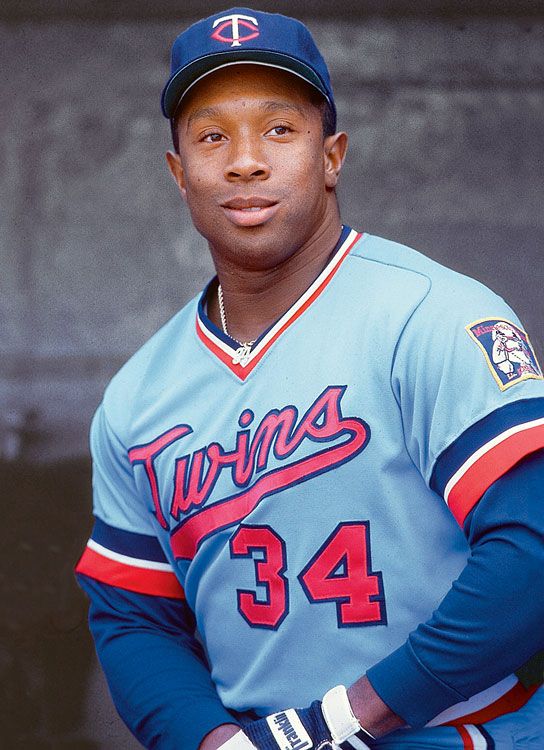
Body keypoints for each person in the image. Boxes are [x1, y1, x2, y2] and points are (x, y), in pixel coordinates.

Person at [75, 8, 544, 750]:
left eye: (280, 130)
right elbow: (134, 615)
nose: (245, 161)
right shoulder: (137, 396)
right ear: (178, 173)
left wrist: (349, 717)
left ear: (332, 156)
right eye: (211, 137)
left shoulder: (432, 316)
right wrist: (212, 742)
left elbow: (532, 550)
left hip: (459, 730)